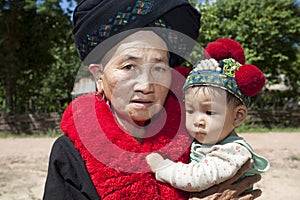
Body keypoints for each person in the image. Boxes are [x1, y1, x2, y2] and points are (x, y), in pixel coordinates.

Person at [43, 1, 262, 199]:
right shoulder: (69, 154)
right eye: (129, 67)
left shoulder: (196, 133)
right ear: (99, 76)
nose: (146, 86)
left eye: (159, 67)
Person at [146, 38, 270, 193]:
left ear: (238, 116)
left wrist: (162, 167)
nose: (198, 121)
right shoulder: (205, 142)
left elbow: (197, 179)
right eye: (190, 111)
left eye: (209, 112)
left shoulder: (233, 150)